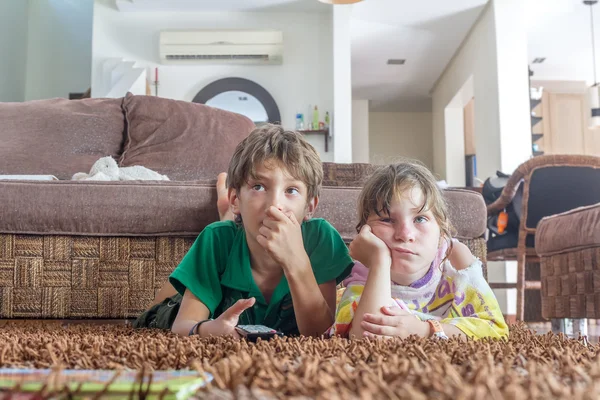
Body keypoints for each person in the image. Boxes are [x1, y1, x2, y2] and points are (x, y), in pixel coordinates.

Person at [134, 124, 354, 337]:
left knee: (230, 233)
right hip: (202, 311)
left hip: (240, 227)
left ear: (310, 206)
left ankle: (230, 217)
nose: (274, 205)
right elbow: (183, 326)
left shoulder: (321, 238)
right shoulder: (215, 239)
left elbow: (319, 333)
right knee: (155, 315)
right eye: (258, 187)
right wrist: (210, 330)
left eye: (292, 190)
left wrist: (296, 261)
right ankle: (230, 217)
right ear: (236, 198)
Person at [328, 161, 508, 340]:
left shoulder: (455, 262)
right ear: (365, 232)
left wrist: (425, 330)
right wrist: (380, 262)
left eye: (420, 219)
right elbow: (365, 339)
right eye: (387, 220)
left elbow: (495, 329)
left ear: (441, 230)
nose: (405, 234)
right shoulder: (365, 273)